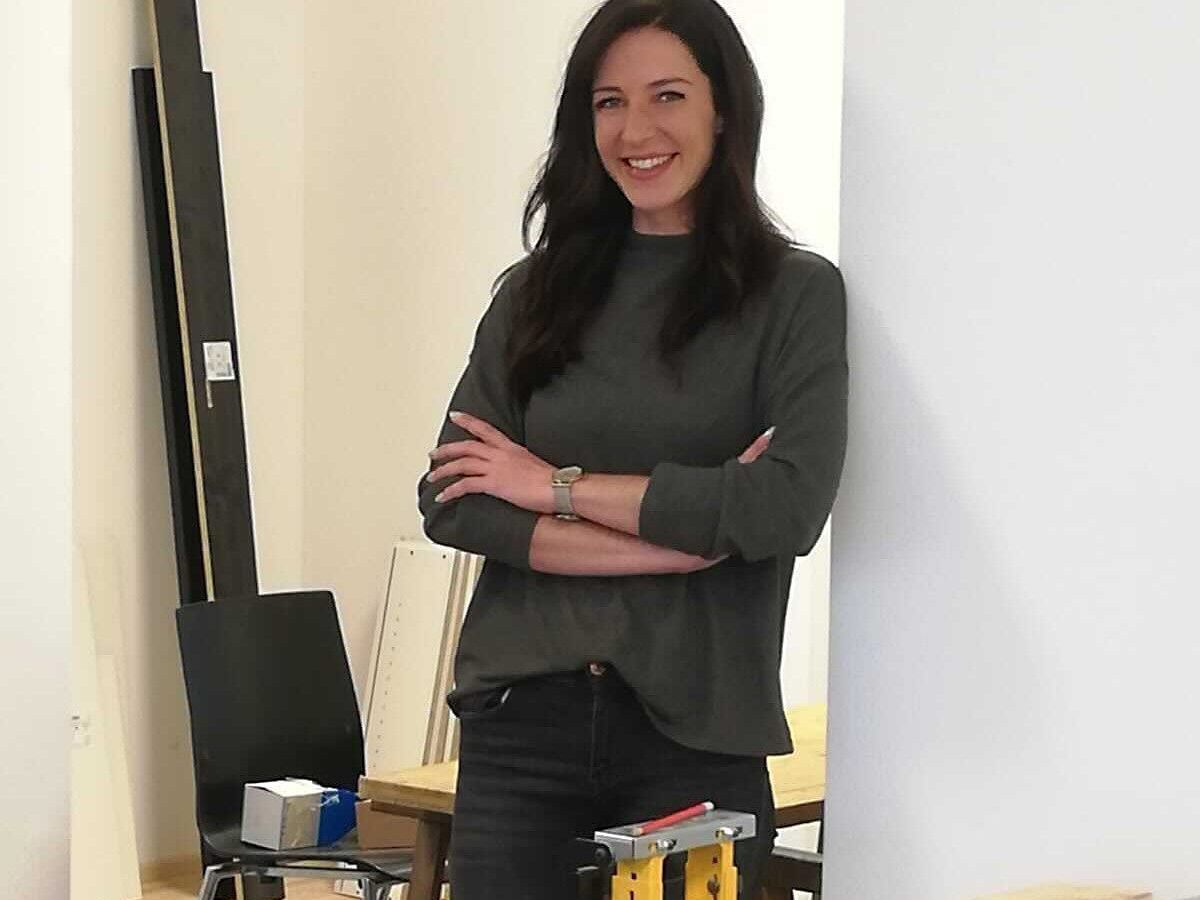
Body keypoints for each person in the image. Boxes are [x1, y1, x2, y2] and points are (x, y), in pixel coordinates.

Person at [416, 0, 848, 897]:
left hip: (699, 735)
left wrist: (551, 486)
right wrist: (679, 543)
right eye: (609, 102)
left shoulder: (795, 297)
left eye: (667, 96)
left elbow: (783, 507)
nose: (636, 130)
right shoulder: (532, 294)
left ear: (723, 110)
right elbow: (454, 502)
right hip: (520, 726)